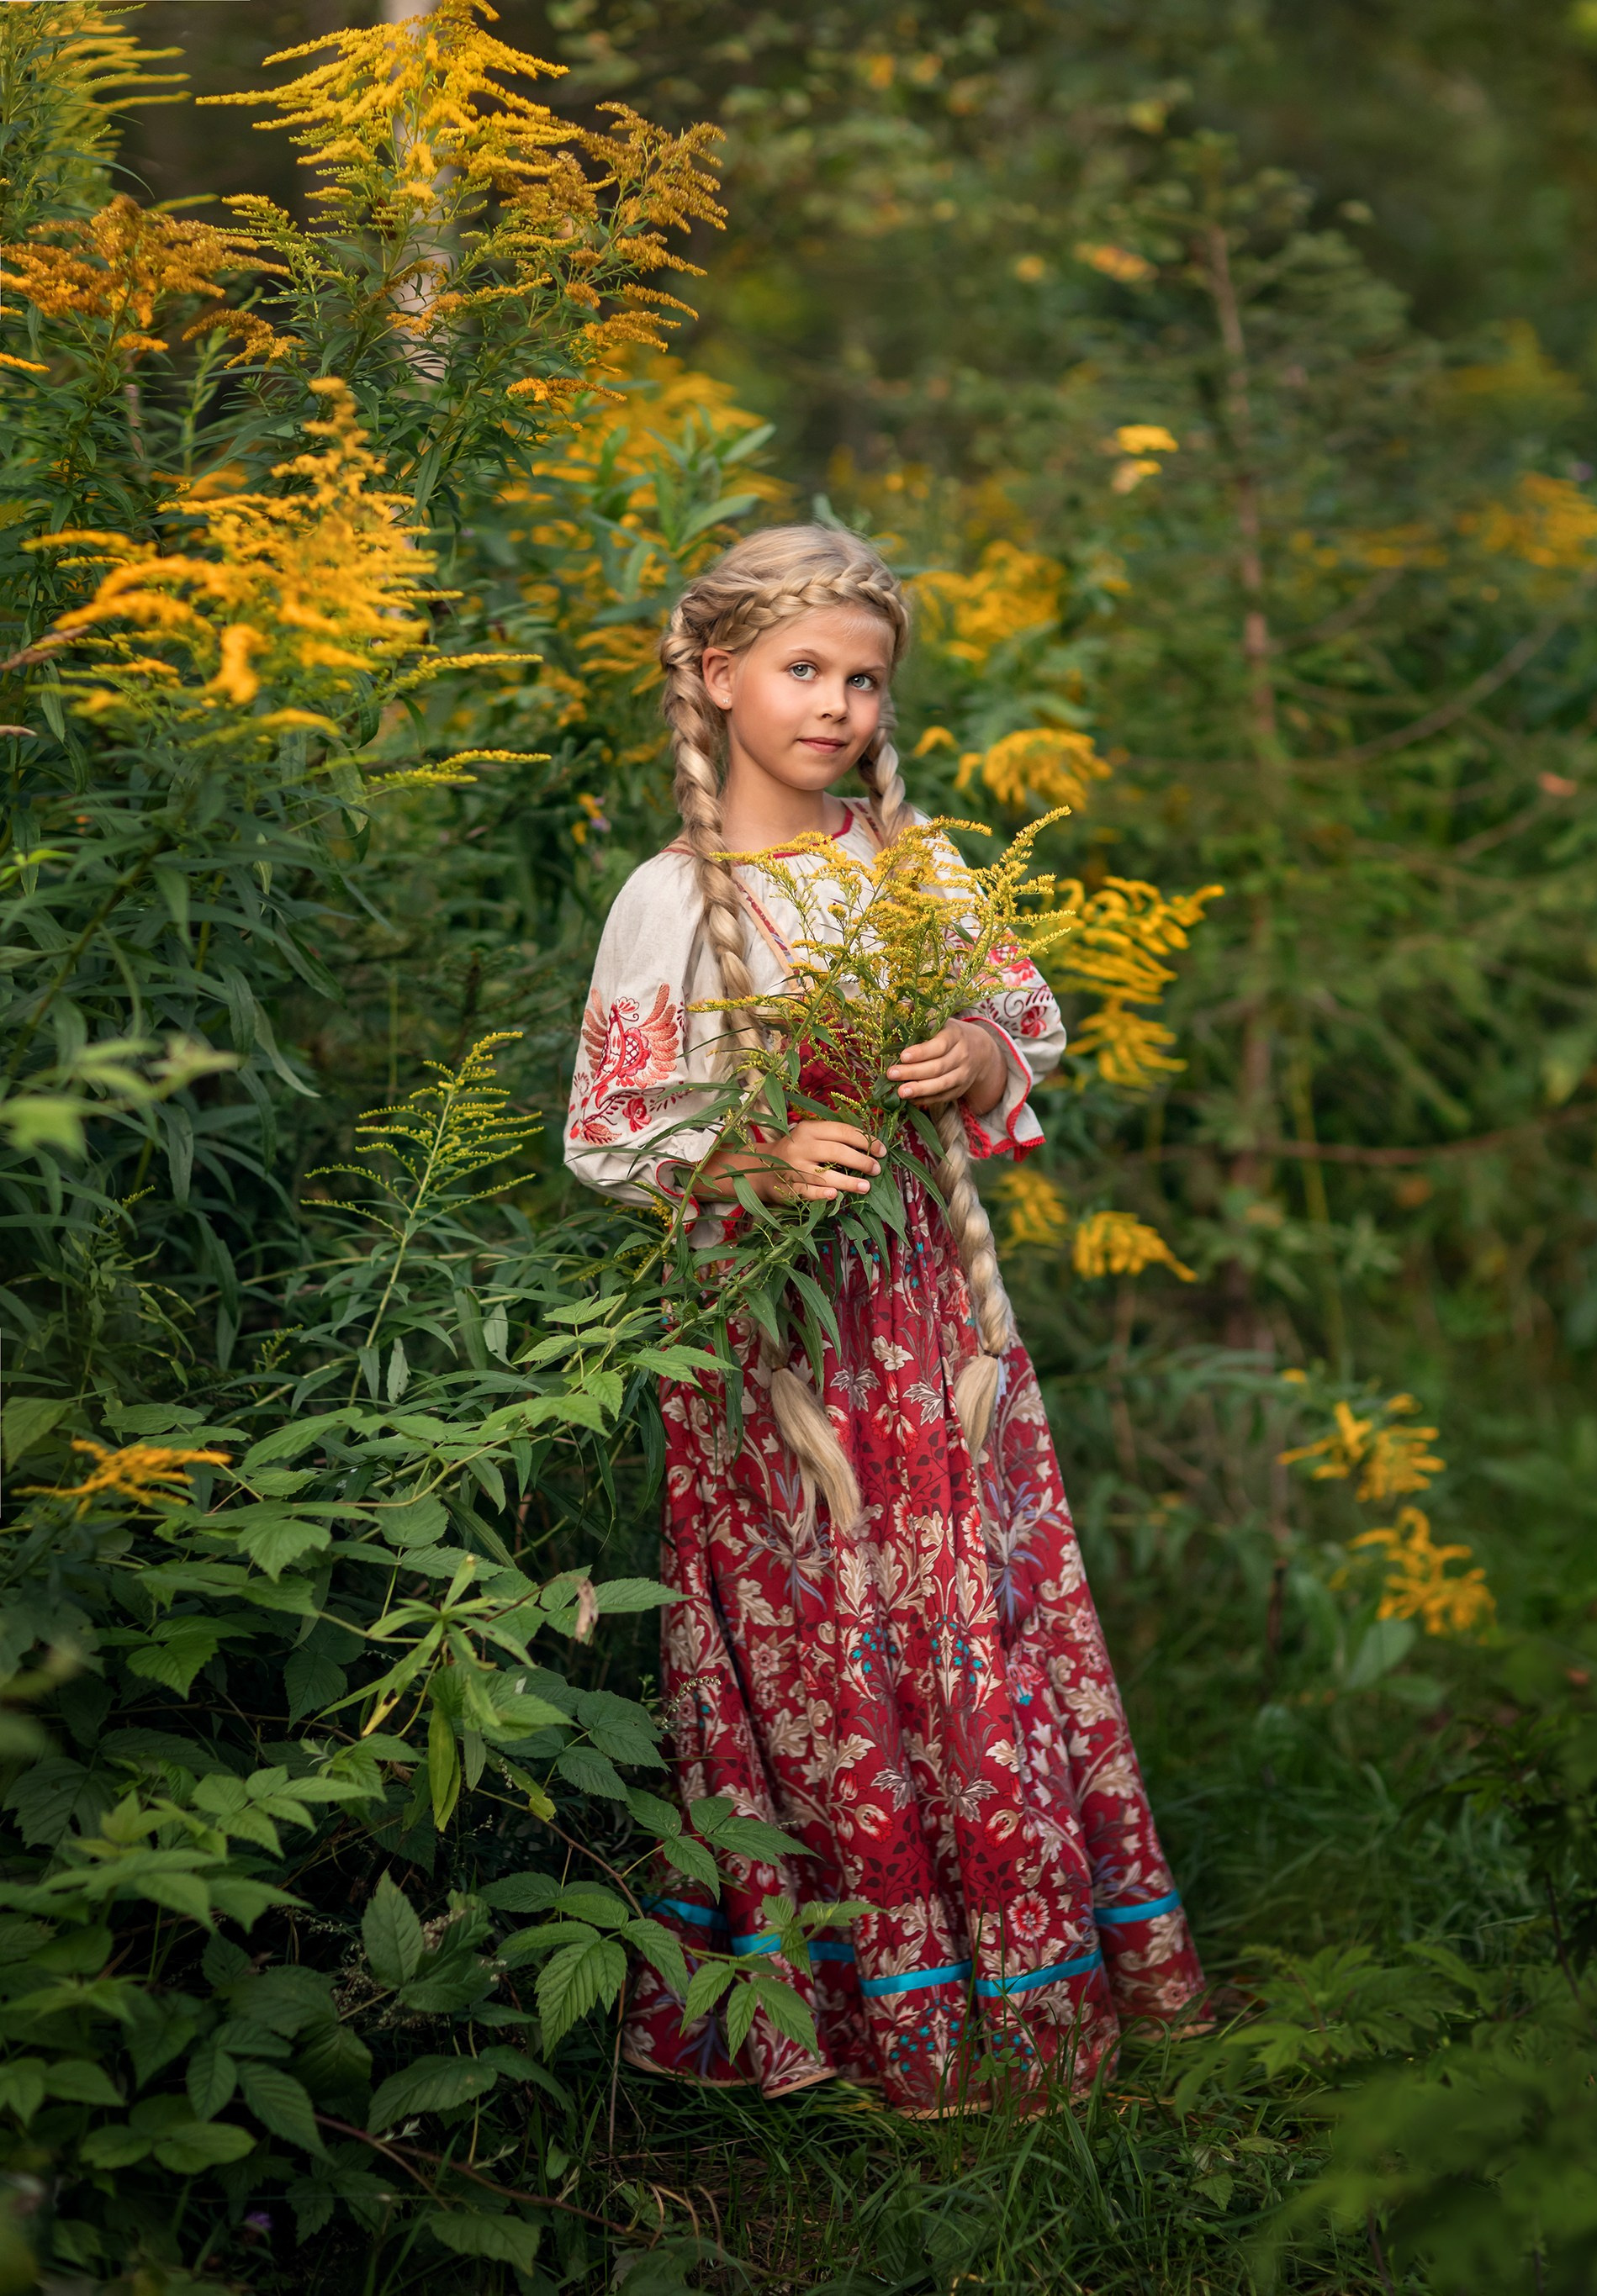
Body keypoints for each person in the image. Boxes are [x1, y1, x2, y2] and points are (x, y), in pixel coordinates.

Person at [564, 524, 1203, 2114]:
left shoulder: (911, 865)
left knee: (965, 1605)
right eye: (804, 670)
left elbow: (1024, 1019)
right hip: (768, 1339)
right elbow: (610, 1127)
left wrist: (981, 1054)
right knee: (816, 1621)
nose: (837, 706)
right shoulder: (670, 897)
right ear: (718, 677)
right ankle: (862, 2002)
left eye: (863, 680)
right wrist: (751, 1156)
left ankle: (1027, 1985)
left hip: (924, 1320)